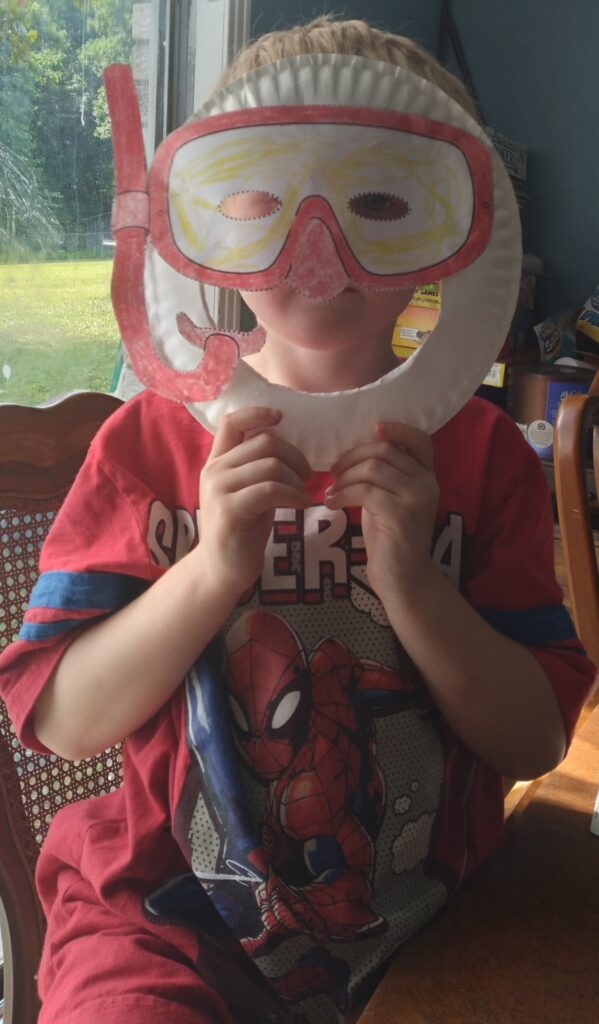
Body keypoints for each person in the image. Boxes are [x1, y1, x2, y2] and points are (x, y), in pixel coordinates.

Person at [0, 15, 595, 1024]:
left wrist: (412, 586)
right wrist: (210, 570)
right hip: (163, 919)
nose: (320, 246)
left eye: (378, 203)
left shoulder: (485, 456)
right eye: (265, 200)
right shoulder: (150, 443)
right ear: (210, 220)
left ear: (448, 230)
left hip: (429, 914)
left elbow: (533, 740)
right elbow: (61, 718)